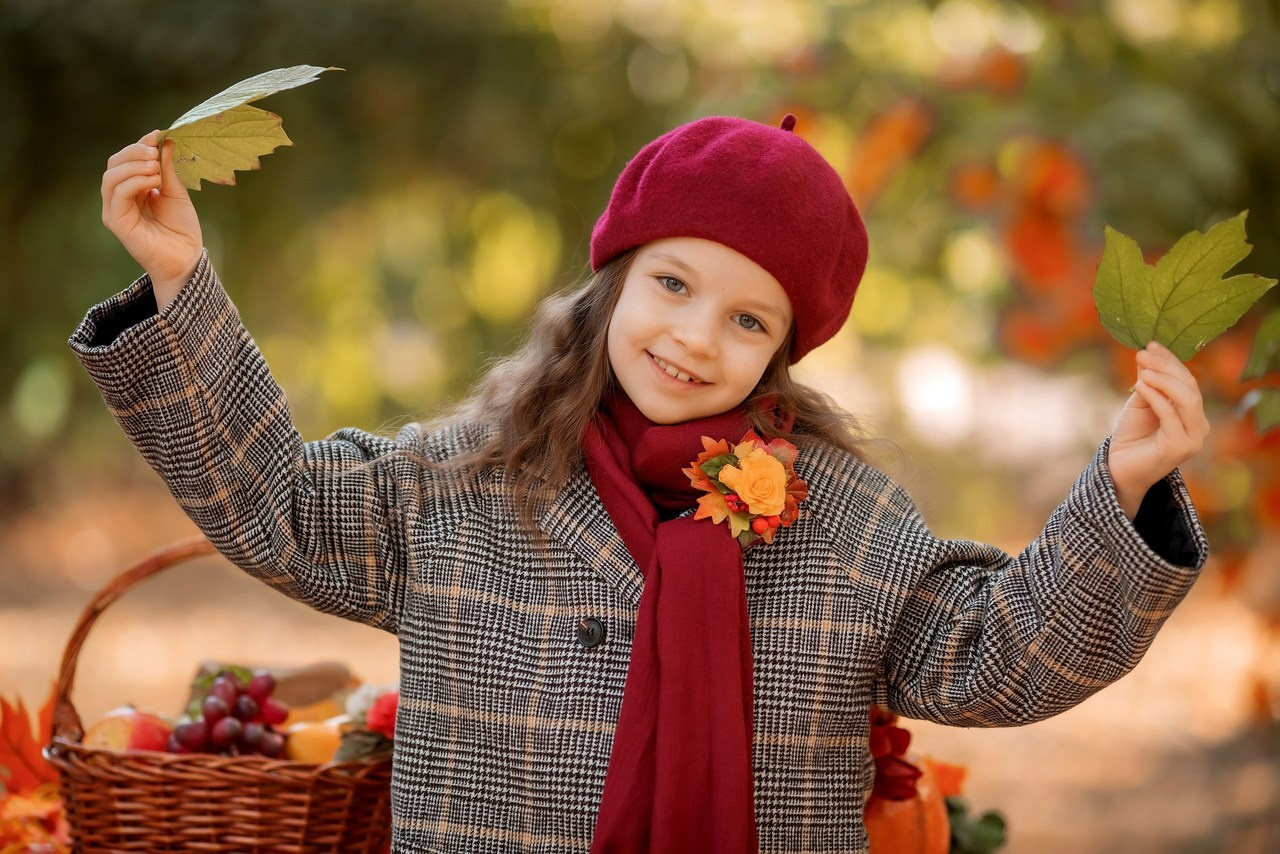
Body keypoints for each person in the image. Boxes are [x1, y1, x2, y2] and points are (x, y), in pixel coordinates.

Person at [73, 114, 1209, 854]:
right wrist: (181, 278)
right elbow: (273, 499)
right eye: (671, 282)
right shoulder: (464, 482)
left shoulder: (846, 521)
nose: (693, 337)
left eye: (745, 317)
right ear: (612, 278)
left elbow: (994, 654)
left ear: (781, 349)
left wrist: (1120, 489)